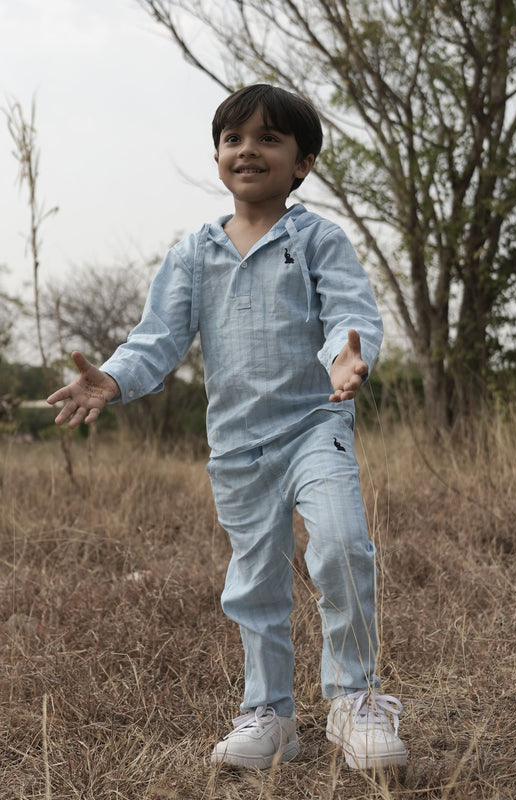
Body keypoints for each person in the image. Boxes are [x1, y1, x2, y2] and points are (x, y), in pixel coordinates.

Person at [47, 84, 407, 771]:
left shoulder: (317, 239)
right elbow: (157, 340)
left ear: (302, 162)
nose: (248, 150)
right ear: (217, 155)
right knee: (255, 580)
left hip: (314, 426)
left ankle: (356, 701)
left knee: (339, 547)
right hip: (238, 444)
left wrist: (347, 357)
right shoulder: (194, 253)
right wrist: (113, 378)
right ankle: (268, 715)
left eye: (269, 139)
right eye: (234, 138)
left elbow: (349, 316)